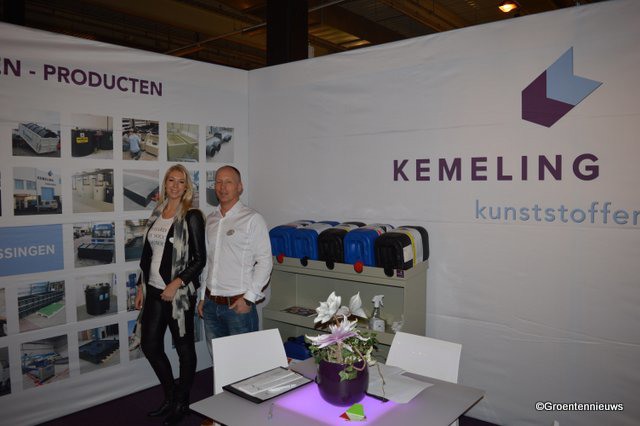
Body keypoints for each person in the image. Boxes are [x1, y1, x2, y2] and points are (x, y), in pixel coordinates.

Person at [197, 165, 272, 426]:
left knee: (245, 368)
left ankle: (246, 420)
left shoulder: (252, 219)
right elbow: (209, 262)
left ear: (239, 187)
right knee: (220, 366)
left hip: (238, 308)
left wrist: (249, 298)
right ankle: (222, 417)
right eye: (218, 182)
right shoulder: (211, 219)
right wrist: (202, 296)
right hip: (211, 305)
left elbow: (265, 261)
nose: (222, 187)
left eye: (229, 182)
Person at [135, 164, 206, 426]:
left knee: (184, 349)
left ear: (187, 187)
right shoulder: (157, 213)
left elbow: (199, 259)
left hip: (178, 295)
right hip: (153, 290)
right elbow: (147, 255)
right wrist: (140, 286)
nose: (175, 186)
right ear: (165, 184)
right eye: (171, 180)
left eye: (180, 181)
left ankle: (181, 403)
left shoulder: (192, 216)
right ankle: (170, 395)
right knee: (150, 345)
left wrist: (176, 283)